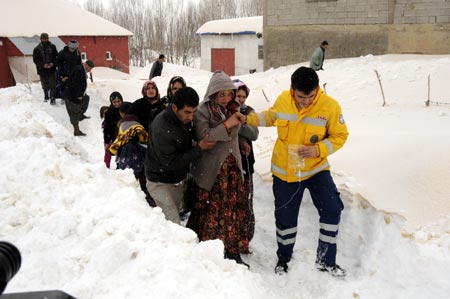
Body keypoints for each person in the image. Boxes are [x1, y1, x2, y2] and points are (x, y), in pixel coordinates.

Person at [245, 66, 349, 276]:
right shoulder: (284, 99)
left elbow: (340, 136)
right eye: (301, 96)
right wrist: (247, 117)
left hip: (316, 170)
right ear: (292, 90)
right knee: (285, 218)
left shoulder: (330, 106)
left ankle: (326, 260)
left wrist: (317, 149)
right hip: (286, 171)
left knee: (332, 209)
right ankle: (283, 258)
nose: (306, 101)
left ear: (317, 89)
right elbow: (271, 117)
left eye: (311, 96)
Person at [187, 71, 250, 268]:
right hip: (213, 170)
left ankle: (233, 250)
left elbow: (234, 133)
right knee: (213, 210)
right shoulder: (203, 111)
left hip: (232, 168)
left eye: (229, 94)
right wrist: (229, 124)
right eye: (221, 94)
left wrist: (242, 140)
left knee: (232, 210)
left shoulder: (234, 108)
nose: (226, 98)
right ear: (213, 93)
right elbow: (205, 137)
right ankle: (210, 249)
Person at [145, 87, 216, 224]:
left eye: (193, 112)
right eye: (187, 112)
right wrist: (199, 148)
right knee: (172, 225)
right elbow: (171, 162)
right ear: (174, 107)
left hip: (176, 179)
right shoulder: (162, 127)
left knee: (173, 220)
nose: (191, 117)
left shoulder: (184, 120)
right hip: (160, 181)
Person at [109, 102, 155, 207]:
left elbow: (119, 142)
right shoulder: (138, 123)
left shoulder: (125, 124)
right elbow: (145, 139)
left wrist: (111, 150)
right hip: (142, 159)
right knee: (143, 182)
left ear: (121, 113)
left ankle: (130, 205)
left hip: (128, 158)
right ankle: (148, 202)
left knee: (128, 182)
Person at [234, 79, 258, 244]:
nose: (241, 99)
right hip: (229, 161)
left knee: (245, 201)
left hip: (246, 162)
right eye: (238, 95)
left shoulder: (249, 111)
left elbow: (254, 133)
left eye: (244, 96)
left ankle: (244, 237)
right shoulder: (223, 109)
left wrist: (239, 124)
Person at [63, 60, 94, 136]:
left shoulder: (81, 69)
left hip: (77, 94)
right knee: (74, 111)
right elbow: (75, 84)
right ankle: (76, 131)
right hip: (72, 95)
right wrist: (79, 95)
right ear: (85, 64)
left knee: (86, 99)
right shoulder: (78, 70)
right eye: (89, 68)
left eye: (91, 69)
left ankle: (80, 115)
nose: (90, 70)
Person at [32, 33, 58, 104]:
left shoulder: (53, 47)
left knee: (53, 85)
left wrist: (52, 63)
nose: (44, 40)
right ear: (40, 39)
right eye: (43, 38)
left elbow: (56, 57)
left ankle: (53, 99)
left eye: (46, 38)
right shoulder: (36, 49)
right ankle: (46, 97)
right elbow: (35, 60)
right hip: (42, 70)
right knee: (44, 85)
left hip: (51, 70)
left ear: (48, 38)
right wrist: (43, 65)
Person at [102, 91, 123, 168]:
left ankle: (121, 167)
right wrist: (107, 141)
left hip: (124, 135)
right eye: (114, 102)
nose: (117, 103)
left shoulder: (125, 109)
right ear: (111, 102)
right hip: (114, 136)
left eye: (118, 101)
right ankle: (107, 166)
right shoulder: (109, 112)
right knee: (112, 152)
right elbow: (107, 128)